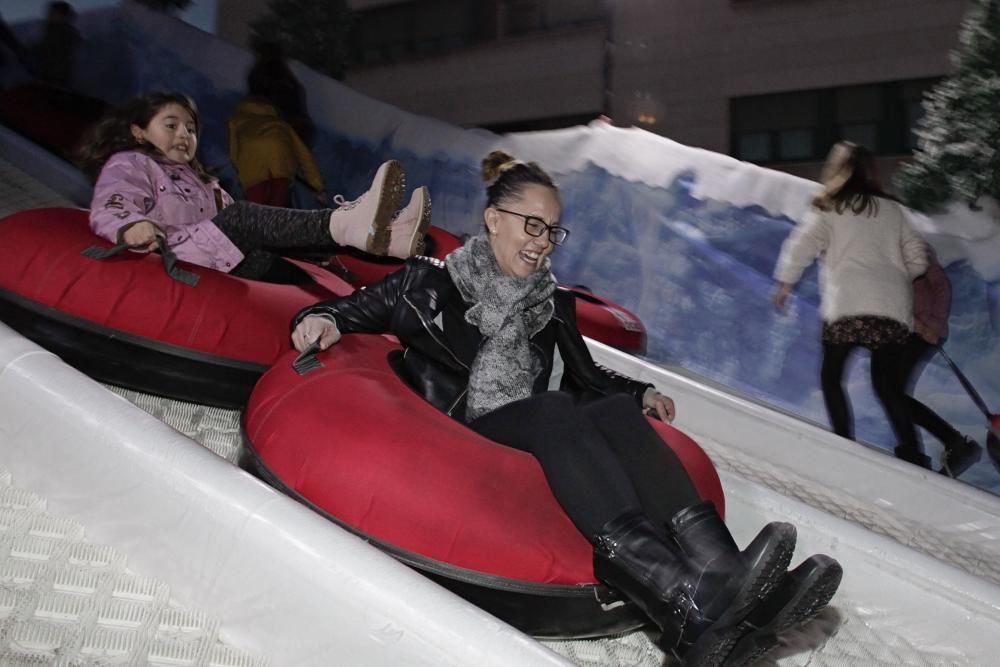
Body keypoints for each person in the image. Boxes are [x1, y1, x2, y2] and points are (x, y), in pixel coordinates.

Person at [291, 150, 843, 665]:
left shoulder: (551, 304)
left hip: (540, 425)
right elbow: (351, 307)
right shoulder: (428, 285)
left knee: (612, 414)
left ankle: (723, 581)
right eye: (531, 225)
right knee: (554, 408)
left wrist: (637, 394)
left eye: (552, 230)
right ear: (493, 219)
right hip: (466, 430)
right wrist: (318, 321)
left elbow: (588, 377)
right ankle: (679, 600)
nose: (542, 242)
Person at [77, 92, 430, 280]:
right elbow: (113, 202)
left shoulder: (206, 182)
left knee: (288, 254)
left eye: (191, 128)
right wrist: (130, 226)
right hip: (175, 254)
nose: (184, 134)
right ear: (139, 131)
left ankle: (386, 239)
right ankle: (348, 221)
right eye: (171, 125)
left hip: (219, 258)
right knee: (244, 216)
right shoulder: (132, 163)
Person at [773, 142, 929, 466]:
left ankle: (844, 443)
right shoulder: (892, 210)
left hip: (848, 305)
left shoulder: (829, 206)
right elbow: (919, 258)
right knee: (887, 384)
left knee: (832, 376)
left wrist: (786, 282)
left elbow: (802, 245)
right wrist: (899, 276)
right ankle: (914, 453)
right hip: (890, 309)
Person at [904, 248, 982, 477]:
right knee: (893, 393)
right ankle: (954, 443)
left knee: (893, 392)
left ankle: (953, 443)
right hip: (911, 331)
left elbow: (941, 286)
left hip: (924, 332)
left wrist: (934, 325)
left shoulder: (912, 247)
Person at [228, 95, 327, 207]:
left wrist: (241, 174)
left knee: (256, 211)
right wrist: (318, 187)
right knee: (277, 209)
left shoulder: (236, 121)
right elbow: (304, 156)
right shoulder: (280, 123)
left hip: (252, 166)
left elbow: (234, 153)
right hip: (279, 161)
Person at [28, 2, 79, 88]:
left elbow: (47, 49)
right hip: (52, 79)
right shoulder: (59, 32)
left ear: (60, 15)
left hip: (56, 80)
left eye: (52, 13)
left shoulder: (62, 33)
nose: (49, 16)